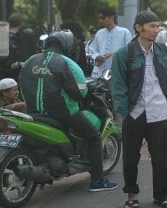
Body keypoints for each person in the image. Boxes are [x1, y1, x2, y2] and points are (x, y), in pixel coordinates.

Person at [19, 31, 118, 191]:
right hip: (64, 113)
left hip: (34, 112)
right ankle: (98, 181)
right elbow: (81, 93)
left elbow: (22, 82)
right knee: (93, 136)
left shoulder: (31, 60)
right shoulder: (68, 64)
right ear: (69, 46)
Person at [110, 10, 167, 208]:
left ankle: (162, 196)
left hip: (159, 111)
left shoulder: (163, 51)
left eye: (157, 26)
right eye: (152, 26)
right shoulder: (125, 53)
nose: (156, 30)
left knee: (161, 159)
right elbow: (117, 85)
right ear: (138, 28)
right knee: (131, 158)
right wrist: (123, 111)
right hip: (134, 113)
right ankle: (132, 197)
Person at [89, 7, 131, 78]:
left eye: (102, 18)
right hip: (99, 70)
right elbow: (91, 49)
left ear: (111, 17)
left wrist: (116, 54)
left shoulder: (124, 32)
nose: (100, 20)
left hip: (117, 71)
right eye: (99, 18)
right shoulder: (99, 33)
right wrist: (97, 56)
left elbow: (130, 50)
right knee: (89, 87)